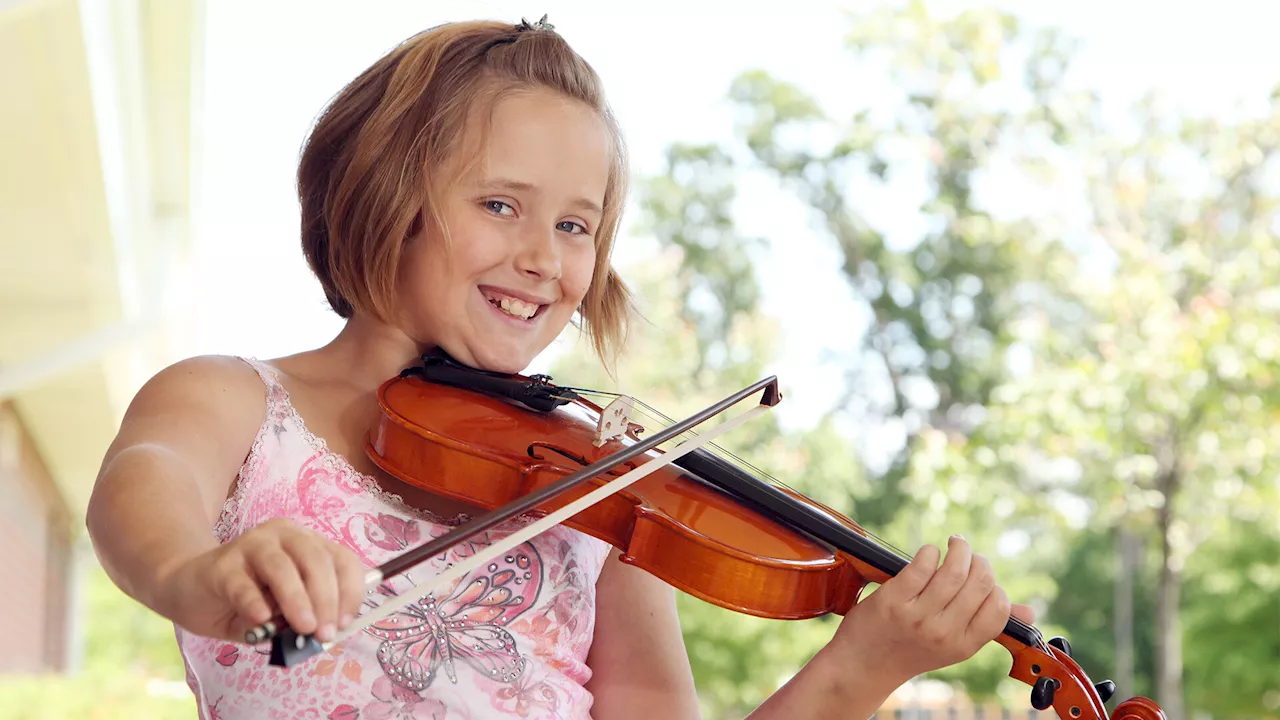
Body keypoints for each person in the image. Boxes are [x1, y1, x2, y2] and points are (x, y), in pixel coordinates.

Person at [86, 16, 1033, 720]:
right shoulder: (238, 399)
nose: (546, 255)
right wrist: (203, 574)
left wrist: (859, 669)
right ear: (380, 192)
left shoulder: (602, 498)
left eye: (577, 225)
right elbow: (143, 490)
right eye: (502, 205)